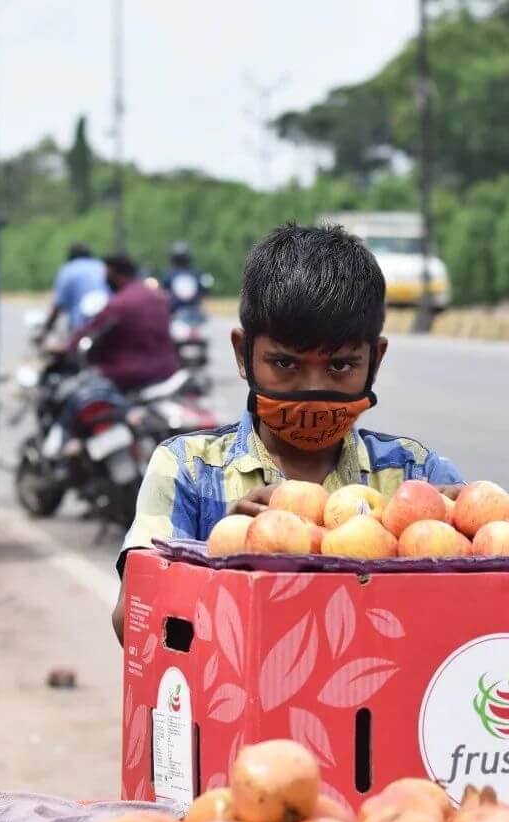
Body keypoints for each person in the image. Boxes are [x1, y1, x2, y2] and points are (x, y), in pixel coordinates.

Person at [111, 223, 464, 641]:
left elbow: (477, 616)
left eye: (339, 366)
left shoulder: (416, 475)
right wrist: (222, 556)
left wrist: (439, 530)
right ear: (243, 355)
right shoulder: (189, 469)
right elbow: (132, 621)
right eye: (284, 364)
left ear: (376, 360)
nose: (311, 391)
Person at [64, 253, 180, 394]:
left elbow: (90, 332)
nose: (105, 280)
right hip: (168, 370)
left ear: (114, 273)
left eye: (107, 275)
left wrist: (64, 348)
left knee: (78, 399)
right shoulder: (159, 297)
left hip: (129, 375)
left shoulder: (119, 304)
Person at [40, 243, 108, 341]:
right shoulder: (102, 266)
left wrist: (45, 331)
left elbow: (58, 306)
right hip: (109, 324)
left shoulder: (68, 270)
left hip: (81, 327)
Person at [161, 241, 205, 312]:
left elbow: (203, 289)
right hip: (176, 309)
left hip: (192, 308)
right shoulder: (195, 273)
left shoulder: (169, 274)